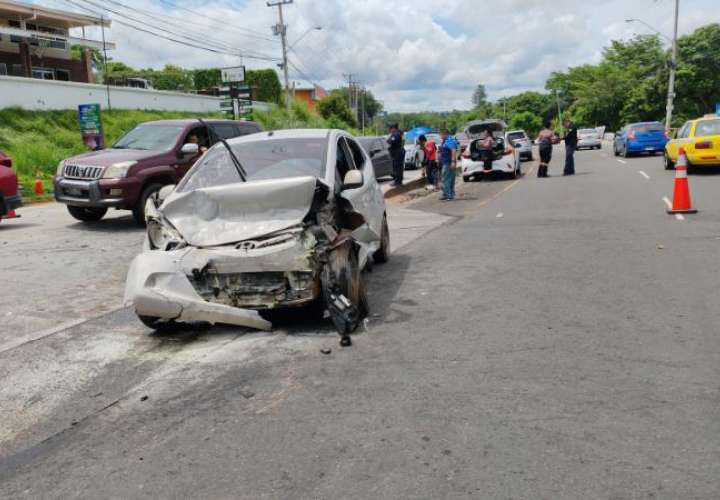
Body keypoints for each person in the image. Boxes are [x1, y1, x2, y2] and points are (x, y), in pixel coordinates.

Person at [439, 129, 459, 201]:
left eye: (441, 134)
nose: (440, 136)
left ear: (445, 134)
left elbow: (453, 150)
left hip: (448, 163)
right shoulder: (447, 140)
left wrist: (453, 161)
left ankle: (448, 194)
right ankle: (447, 194)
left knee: (446, 179)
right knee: (449, 179)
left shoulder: (449, 140)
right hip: (447, 162)